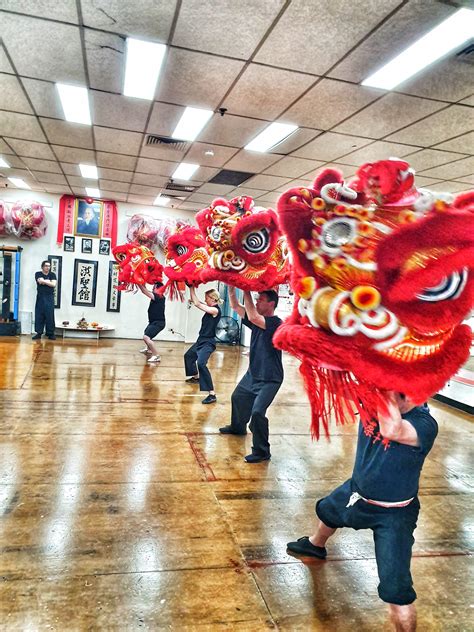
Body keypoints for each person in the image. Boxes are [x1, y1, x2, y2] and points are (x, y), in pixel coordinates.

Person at [287, 392, 438, 632]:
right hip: (356, 492)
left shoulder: (424, 424)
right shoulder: (374, 398)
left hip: (394, 514)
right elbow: (342, 381)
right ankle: (316, 545)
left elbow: (392, 429)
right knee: (327, 511)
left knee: (396, 592)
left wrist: (384, 379)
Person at [219, 287, 283, 463]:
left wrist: (246, 288)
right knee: (237, 397)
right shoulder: (256, 322)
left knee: (257, 412)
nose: (256, 302)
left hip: (271, 378)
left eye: (260, 299)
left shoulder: (276, 323)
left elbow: (254, 316)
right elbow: (235, 306)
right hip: (253, 374)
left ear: (271, 304)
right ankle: (238, 427)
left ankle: (262, 451)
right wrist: (232, 288)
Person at [184, 287, 222, 405]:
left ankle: (212, 394)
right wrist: (192, 295)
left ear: (213, 299)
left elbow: (197, 303)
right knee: (189, 356)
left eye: (207, 299)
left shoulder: (216, 311)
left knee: (201, 363)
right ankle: (196, 377)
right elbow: (197, 302)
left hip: (208, 342)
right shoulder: (210, 308)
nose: (205, 301)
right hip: (201, 340)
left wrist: (191, 287)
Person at [138, 281, 166, 363]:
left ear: (158, 289)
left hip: (158, 323)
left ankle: (156, 356)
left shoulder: (159, 296)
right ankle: (149, 350)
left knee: (146, 337)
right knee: (146, 332)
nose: (152, 289)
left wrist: (137, 282)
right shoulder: (156, 296)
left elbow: (144, 291)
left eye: (154, 287)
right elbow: (146, 290)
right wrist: (142, 281)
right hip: (153, 322)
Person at [33, 260, 57, 340]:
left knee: (49, 315)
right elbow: (39, 282)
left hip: (49, 297)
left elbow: (53, 284)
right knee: (39, 314)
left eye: (49, 266)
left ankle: (50, 333)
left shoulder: (52, 274)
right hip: (40, 296)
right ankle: (39, 333)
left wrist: (44, 281)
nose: (47, 267)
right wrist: (48, 282)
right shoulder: (38, 274)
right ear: (42, 267)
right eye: (46, 266)